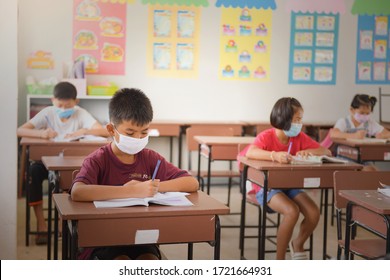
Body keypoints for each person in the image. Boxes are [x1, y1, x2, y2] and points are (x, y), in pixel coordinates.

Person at [70, 88, 199, 260]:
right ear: (111, 129)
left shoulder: (150, 158)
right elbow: (78, 192)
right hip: (103, 238)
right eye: (130, 133)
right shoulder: (98, 160)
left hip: (142, 236)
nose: (138, 138)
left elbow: (191, 183)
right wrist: (131, 190)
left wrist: (154, 187)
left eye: (144, 132)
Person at [238, 97, 331, 260]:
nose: (300, 124)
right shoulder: (266, 136)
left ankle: (298, 244)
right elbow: (251, 152)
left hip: (290, 185)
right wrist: (274, 155)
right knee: (292, 211)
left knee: (313, 212)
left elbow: (326, 151)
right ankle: (279, 260)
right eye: (297, 120)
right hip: (266, 187)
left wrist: (309, 152)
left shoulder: (299, 137)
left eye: (300, 119)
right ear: (284, 119)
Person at [17, 81, 108, 245]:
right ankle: (41, 224)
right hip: (46, 163)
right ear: (53, 100)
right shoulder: (47, 113)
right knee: (33, 172)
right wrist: (42, 134)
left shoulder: (81, 113)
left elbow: (103, 130)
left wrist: (84, 130)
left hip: (70, 165)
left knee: (78, 177)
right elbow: (20, 130)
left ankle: (63, 224)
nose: (64, 110)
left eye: (68, 106)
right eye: (60, 105)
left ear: (76, 102)